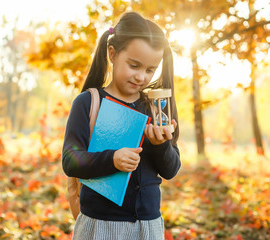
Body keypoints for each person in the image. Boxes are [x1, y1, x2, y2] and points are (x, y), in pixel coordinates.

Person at [62, 11, 181, 240]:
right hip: (100, 225)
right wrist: (112, 159)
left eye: (150, 70)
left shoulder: (155, 108)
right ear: (113, 53)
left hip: (148, 226)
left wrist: (160, 145)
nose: (141, 77)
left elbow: (171, 169)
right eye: (134, 65)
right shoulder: (89, 103)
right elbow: (70, 160)